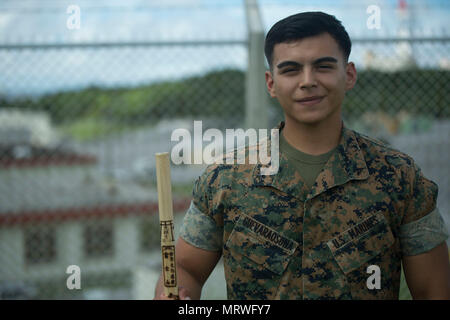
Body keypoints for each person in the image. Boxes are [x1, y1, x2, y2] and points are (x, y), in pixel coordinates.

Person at [154, 11, 450, 300]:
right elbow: (185, 268)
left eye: (323, 66)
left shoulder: (399, 177)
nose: (307, 80)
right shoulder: (224, 179)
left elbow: (434, 289)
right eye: (291, 69)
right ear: (271, 83)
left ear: (348, 75)